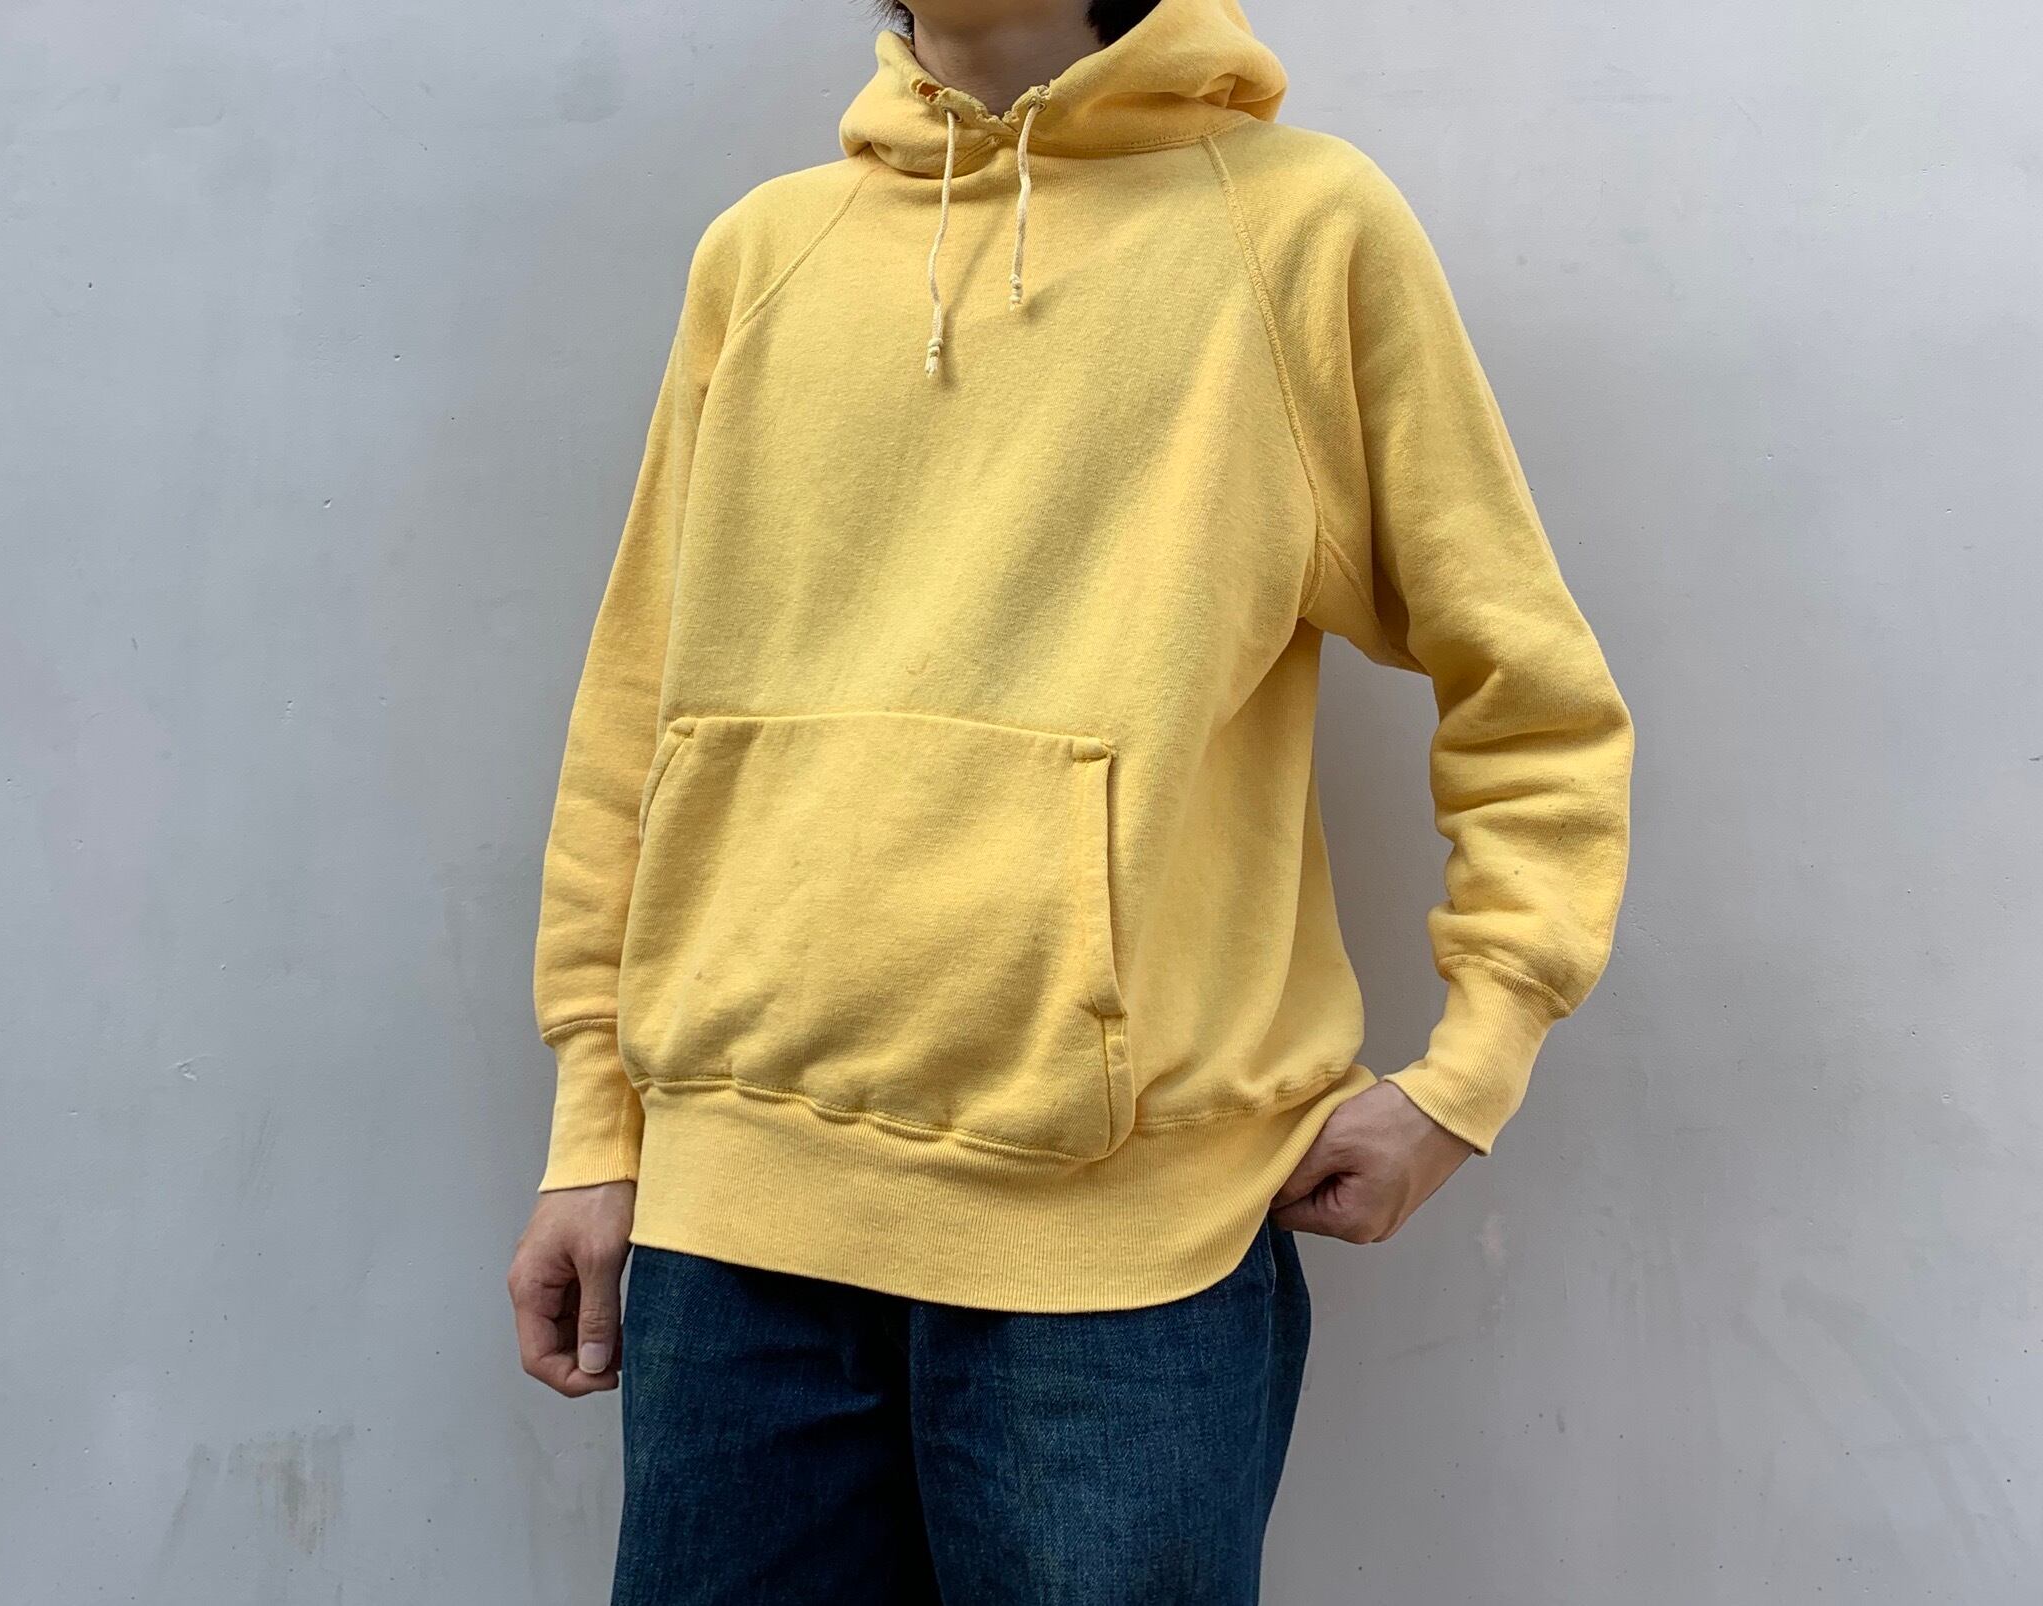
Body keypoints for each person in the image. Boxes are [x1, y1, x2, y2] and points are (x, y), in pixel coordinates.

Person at [507, 0, 1634, 1599]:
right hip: (731, 1237)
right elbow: (638, 716)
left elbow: (1534, 697)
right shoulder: (763, 250)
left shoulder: (1299, 230)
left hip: (1125, 1272)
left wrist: (1472, 1069)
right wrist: (594, 1124)